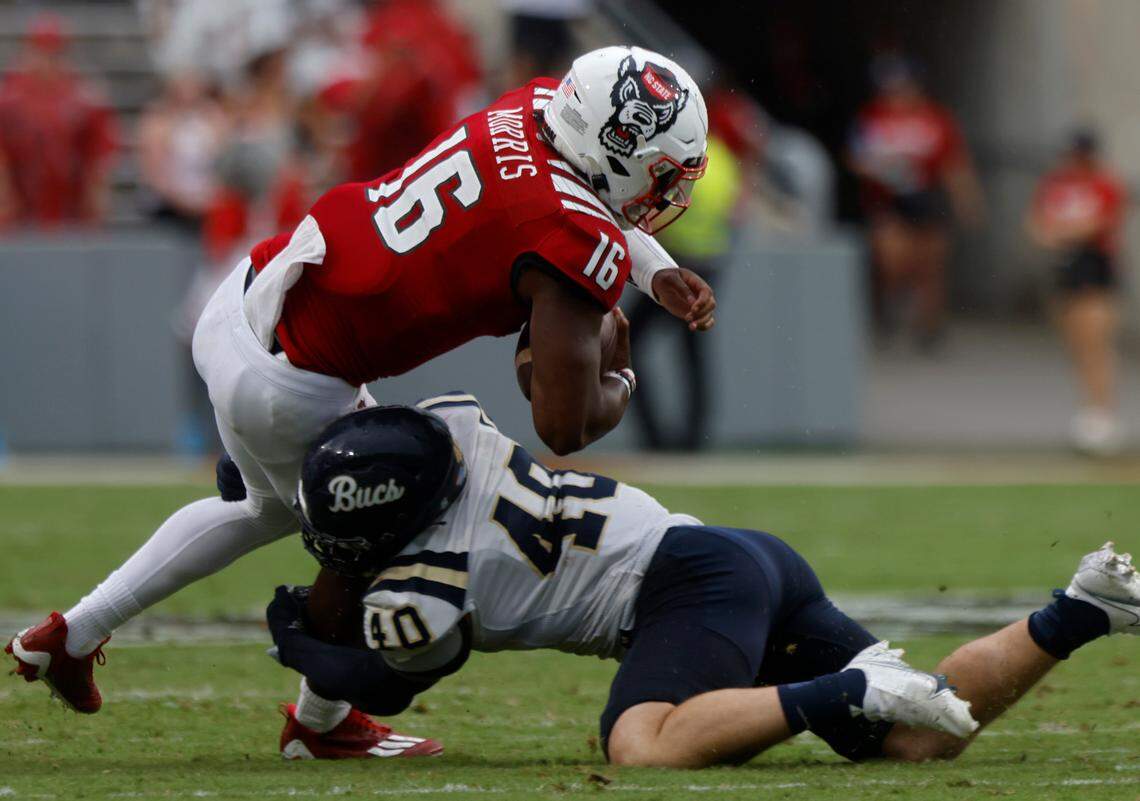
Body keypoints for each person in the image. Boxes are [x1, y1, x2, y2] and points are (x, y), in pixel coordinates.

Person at [5, 46, 715, 719]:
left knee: (265, 509)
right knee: (398, 521)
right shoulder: (570, 232)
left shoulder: (532, 109)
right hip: (295, 379)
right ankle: (322, 721)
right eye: (662, 172)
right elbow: (564, 424)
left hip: (252, 293)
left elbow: (579, 199)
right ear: (614, 149)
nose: (668, 189)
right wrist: (623, 376)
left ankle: (69, 633)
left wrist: (649, 273)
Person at [259, 395, 1137, 763]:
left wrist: (293, 635)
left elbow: (382, 683)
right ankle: (1078, 611)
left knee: (642, 743)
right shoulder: (457, 430)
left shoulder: (428, 583)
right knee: (920, 736)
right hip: (734, 554)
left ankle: (847, 686)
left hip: (684, 588)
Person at [848, 55, 983, 349]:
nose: (896, 95)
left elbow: (954, 164)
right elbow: (855, 157)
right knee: (892, 259)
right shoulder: (873, 117)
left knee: (931, 265)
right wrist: (882, 168)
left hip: (927, 197)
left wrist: (967, 202)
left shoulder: (936, 119)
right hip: (889, 200)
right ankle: (887, 308)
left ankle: (929, 326)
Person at [628, 134, 741, 449]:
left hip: (674, 263)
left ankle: (656, 438)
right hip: (709, 262)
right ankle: (694, 439)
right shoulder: (724, 158)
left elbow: (659, 214)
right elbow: (734, 212)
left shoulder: (678, 155)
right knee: (693, 353)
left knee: (629, 344)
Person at [1026, 130, 1127, 455]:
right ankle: (1088, 409)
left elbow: (1100, 223)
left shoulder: (1105, 183)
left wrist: (1060, 231)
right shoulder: (1054, 184)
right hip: (1064, 268)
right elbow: (1036, 222)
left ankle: (1103, 411)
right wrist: (1050, 233)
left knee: (1095, 339)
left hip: (1093, 266)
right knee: (1074, 343)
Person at [0, 13, 118, 228]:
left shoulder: (85, 96)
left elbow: (99, 156)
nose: (47, 60)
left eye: (53, 53)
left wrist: (95, 200)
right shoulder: (9, 96)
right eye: (41, 51)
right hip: (20, 204)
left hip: (69, 205)